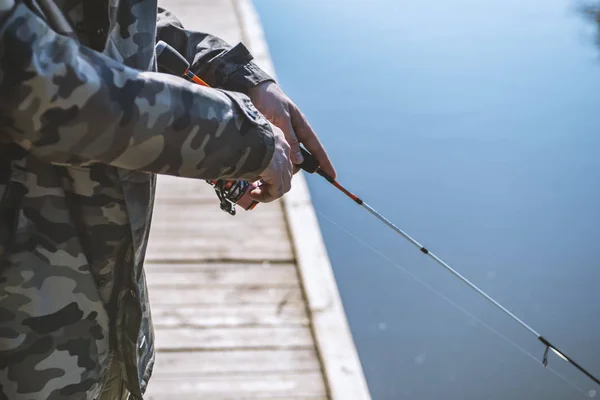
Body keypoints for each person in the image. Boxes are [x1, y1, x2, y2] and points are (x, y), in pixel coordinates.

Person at [0, 0, 336, 398]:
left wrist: (233, 75)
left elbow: (115, 22)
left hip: (103, 342)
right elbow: (43, 86)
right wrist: (241, 134)